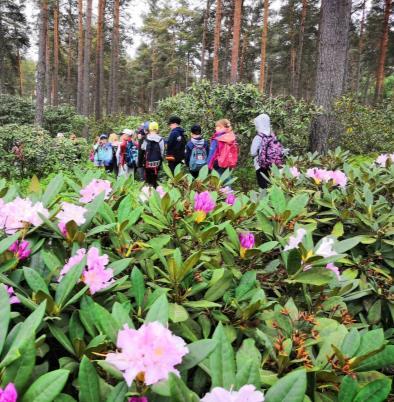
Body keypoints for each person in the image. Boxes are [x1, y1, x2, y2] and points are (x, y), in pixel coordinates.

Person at [250, 113, 284, 189]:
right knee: (272, 184)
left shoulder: (259, 137)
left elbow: (253, 152)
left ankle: (265, 200)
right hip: (273, 164)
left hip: (260, 165)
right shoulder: (272, 135)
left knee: (263, 186)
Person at [141, 122, 164, 188]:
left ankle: (148, 191)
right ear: (157, 129)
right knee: (155, 178)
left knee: (148, 179)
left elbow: (143, 148)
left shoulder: (146, 138)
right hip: (157, 163)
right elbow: (162, 151)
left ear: (149, 129)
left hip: (148, 162)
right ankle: (155, 190)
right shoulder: (160, 139)